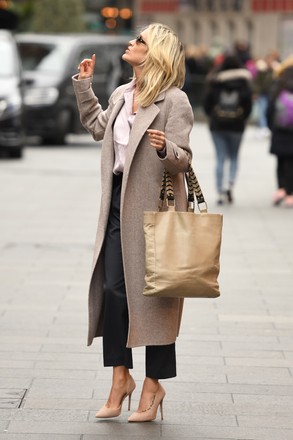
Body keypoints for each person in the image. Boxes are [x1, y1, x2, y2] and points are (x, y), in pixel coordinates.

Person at [72, 23, 194, 422]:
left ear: (154, 51)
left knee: (156, 296)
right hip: (117, 203)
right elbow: (96, 129)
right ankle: (120, 377)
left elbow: (184, 158)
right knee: (112, 290)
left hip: (155, 210)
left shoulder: (175, 101)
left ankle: (154, 383)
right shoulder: (122, 94)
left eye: (139, 40)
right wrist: (85, 87)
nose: (132, 42)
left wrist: (166, 147)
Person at [203, 53, 252, 204]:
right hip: (237, 126)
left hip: (218, 125)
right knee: (234, 156)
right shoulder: (244, 82)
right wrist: (242, 118)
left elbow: (206, 103)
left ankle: (219, 191)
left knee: (220, 157)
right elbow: (248, 105)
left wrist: (213, 116)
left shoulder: (215, 81)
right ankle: (230, 183)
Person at [266, 56, 293, 208]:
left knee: (281, 161)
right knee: (291, 162)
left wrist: (272, 127)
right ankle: (290, 193)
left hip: (280, 131)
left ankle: (281, 189)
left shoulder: (279, 85)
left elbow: (269, 110)